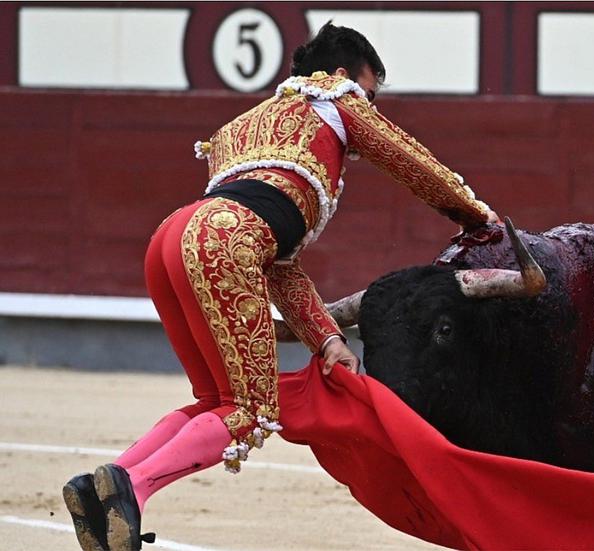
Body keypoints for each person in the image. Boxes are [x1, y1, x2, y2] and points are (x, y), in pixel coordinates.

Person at [62, 22, 496, 551]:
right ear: (341, 75)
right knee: (250, 410)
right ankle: (132, 487)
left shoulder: (244, 127)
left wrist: (328, 341)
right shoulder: (334, 98)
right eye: (371, 93)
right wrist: (476, 215)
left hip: (175, 238)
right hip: (226, 239)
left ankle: (104, 485)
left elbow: (278, 264)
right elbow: (411, 162)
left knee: (216, 402)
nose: (372, 108)